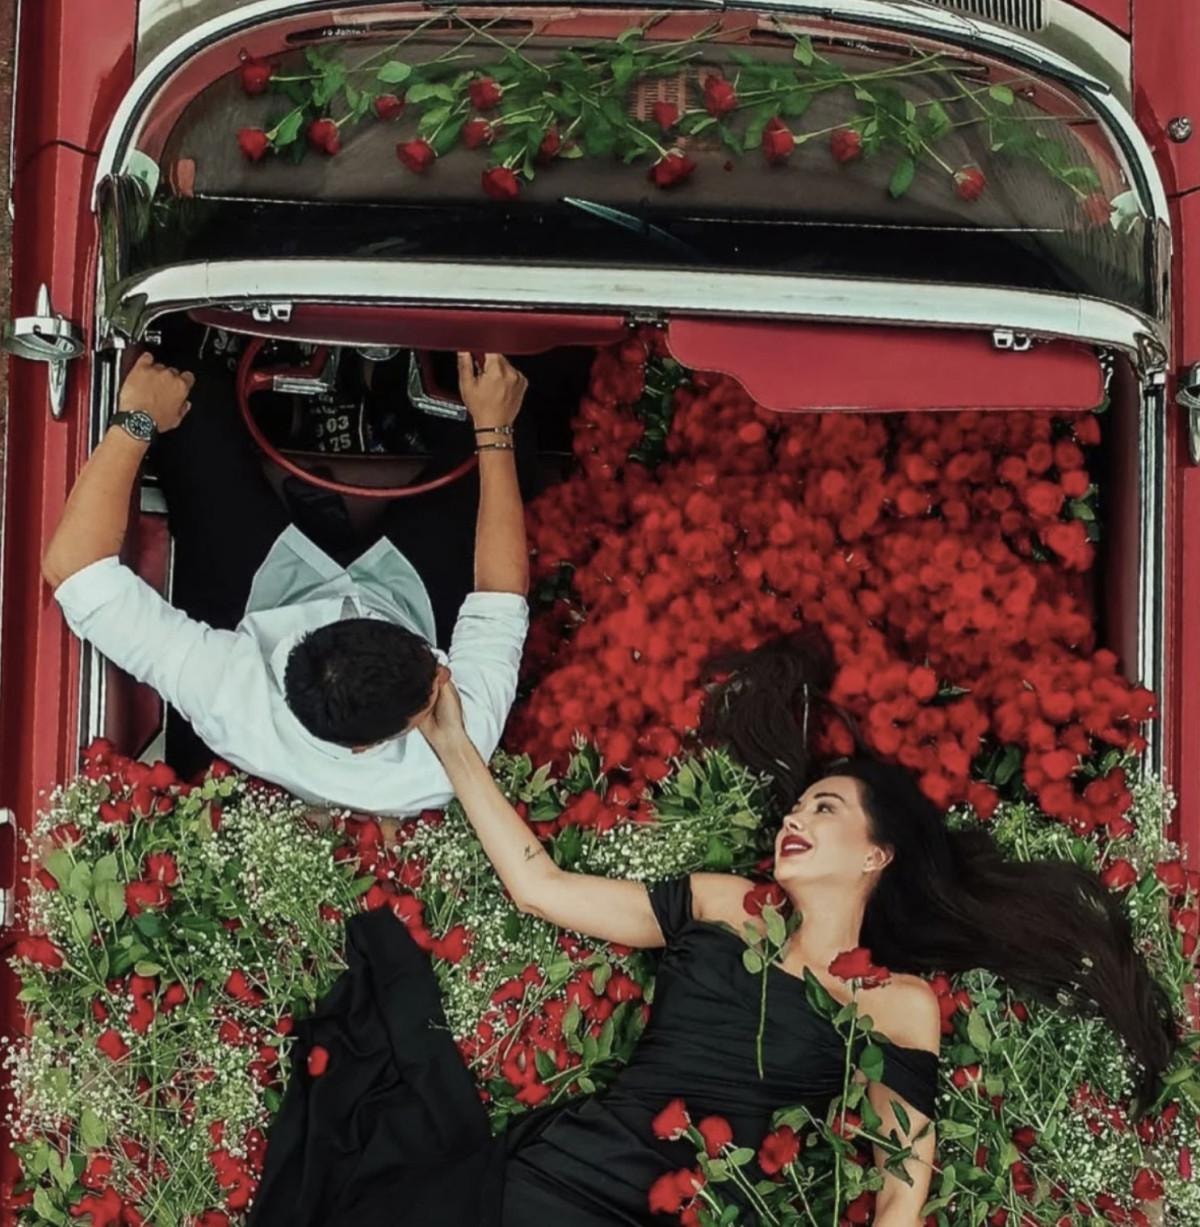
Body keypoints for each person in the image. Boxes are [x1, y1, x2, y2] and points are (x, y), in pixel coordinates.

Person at [246, 631, 1178, 1227]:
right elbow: (540, 886)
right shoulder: (726, 902)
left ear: (877, 852)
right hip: (550, 1181)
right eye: (798, 804)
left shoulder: (896, 1003)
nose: (795, 818)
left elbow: (903, 1187)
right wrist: (449, 738)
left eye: (824, 808)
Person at [41, 347, 531, 816]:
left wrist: (138, 420)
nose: (445, 674)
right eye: (433, 679)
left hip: (268, 595)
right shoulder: (449, 756)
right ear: (368, 748)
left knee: (188, 391)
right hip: (407, 593)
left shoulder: (232, 695)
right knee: (513, 416)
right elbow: (500, 595)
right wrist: (495, 429)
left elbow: (73, 568)